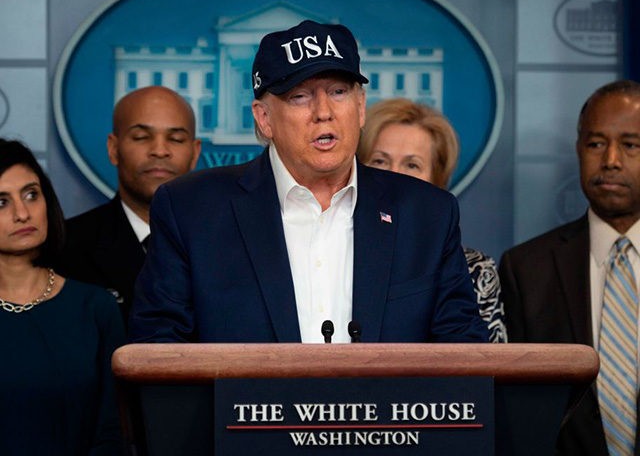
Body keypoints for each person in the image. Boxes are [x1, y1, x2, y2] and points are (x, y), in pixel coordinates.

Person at [129, 19, 488, 344]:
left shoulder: (427, 214)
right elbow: (158, 355)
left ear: (361, 107)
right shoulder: (192, 211)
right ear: (264, 118)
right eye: (299, 96)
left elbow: (464, 356)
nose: (323, 112)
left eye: (338, 92)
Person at [499, 80, 640, 455]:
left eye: (630, 145)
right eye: (596, 144)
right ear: (578, 150)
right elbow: (517, 414)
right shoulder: (526, 270)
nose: (611, 160)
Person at [0, 139, 125, 455]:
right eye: (1, 202)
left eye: (31, 194)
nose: (22, 213)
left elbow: (113, 431)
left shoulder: (96, 308)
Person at [357, 98, 507, 343]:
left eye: (412, 165)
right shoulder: (336, 254)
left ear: (438, 182)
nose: (394, 176)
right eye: (379, 161)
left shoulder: (475, 271)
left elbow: (483, 371)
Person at [56, 86, 201, 323]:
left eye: (175, 139)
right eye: (142, 137)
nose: (159, 151)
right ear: (113, 149)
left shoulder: (229, 242)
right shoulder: (64, 246)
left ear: (195, 153)